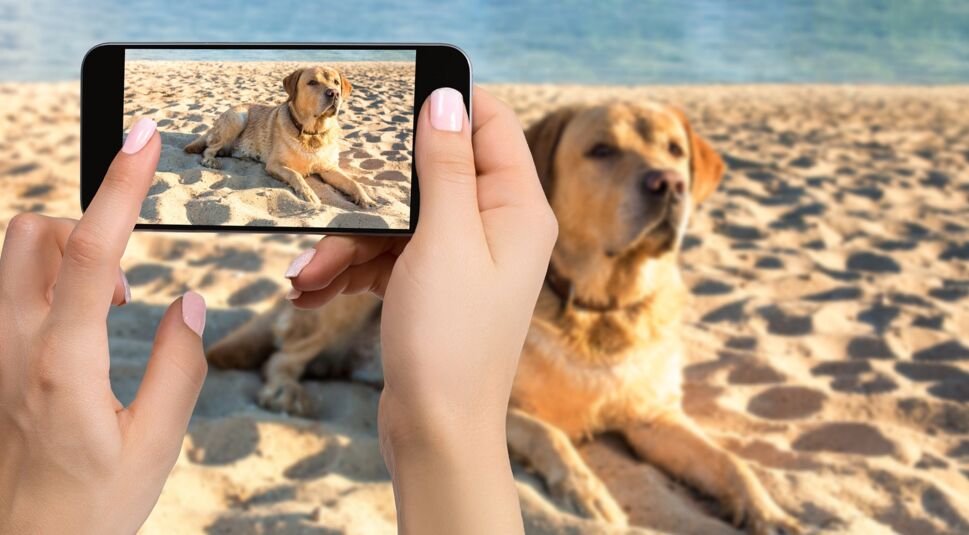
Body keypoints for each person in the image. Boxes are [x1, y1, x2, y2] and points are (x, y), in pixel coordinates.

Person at [0, 87, 557, 534]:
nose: (329, 91)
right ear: (295, 91)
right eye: (317, 84)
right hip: (255, 140)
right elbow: (280, 167)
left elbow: (329, 171)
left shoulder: (329, 129)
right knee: (234, 134)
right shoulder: (274, 123)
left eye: (334, 86)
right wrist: (454, 434)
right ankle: (215, 149)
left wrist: (357, 194)